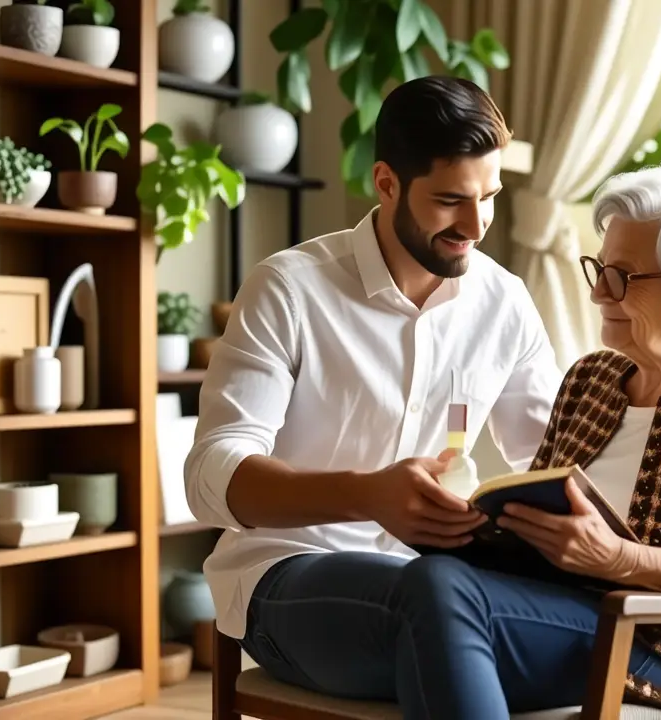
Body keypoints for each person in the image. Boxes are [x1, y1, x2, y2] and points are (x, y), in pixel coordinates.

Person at [183, 76, 563, 711]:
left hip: (441, 586)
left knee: (506, 617)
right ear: (387, 183)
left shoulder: (505, 302)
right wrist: (366, 494)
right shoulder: (289, 289)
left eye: (490, 196)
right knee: (440, 603)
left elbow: (551, 458)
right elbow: (208, 478)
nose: (476, 224)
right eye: (450, 200)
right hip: (285, 577)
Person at [372, 160, 661, 718]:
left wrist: (623, 559)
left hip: (649, 646)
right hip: (552, 611)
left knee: (435, 595)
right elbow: (535, 510)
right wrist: (471, 526)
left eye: (622, 276)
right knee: (412, 588)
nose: (599, 294)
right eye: (599, 269)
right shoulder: (592, 377)